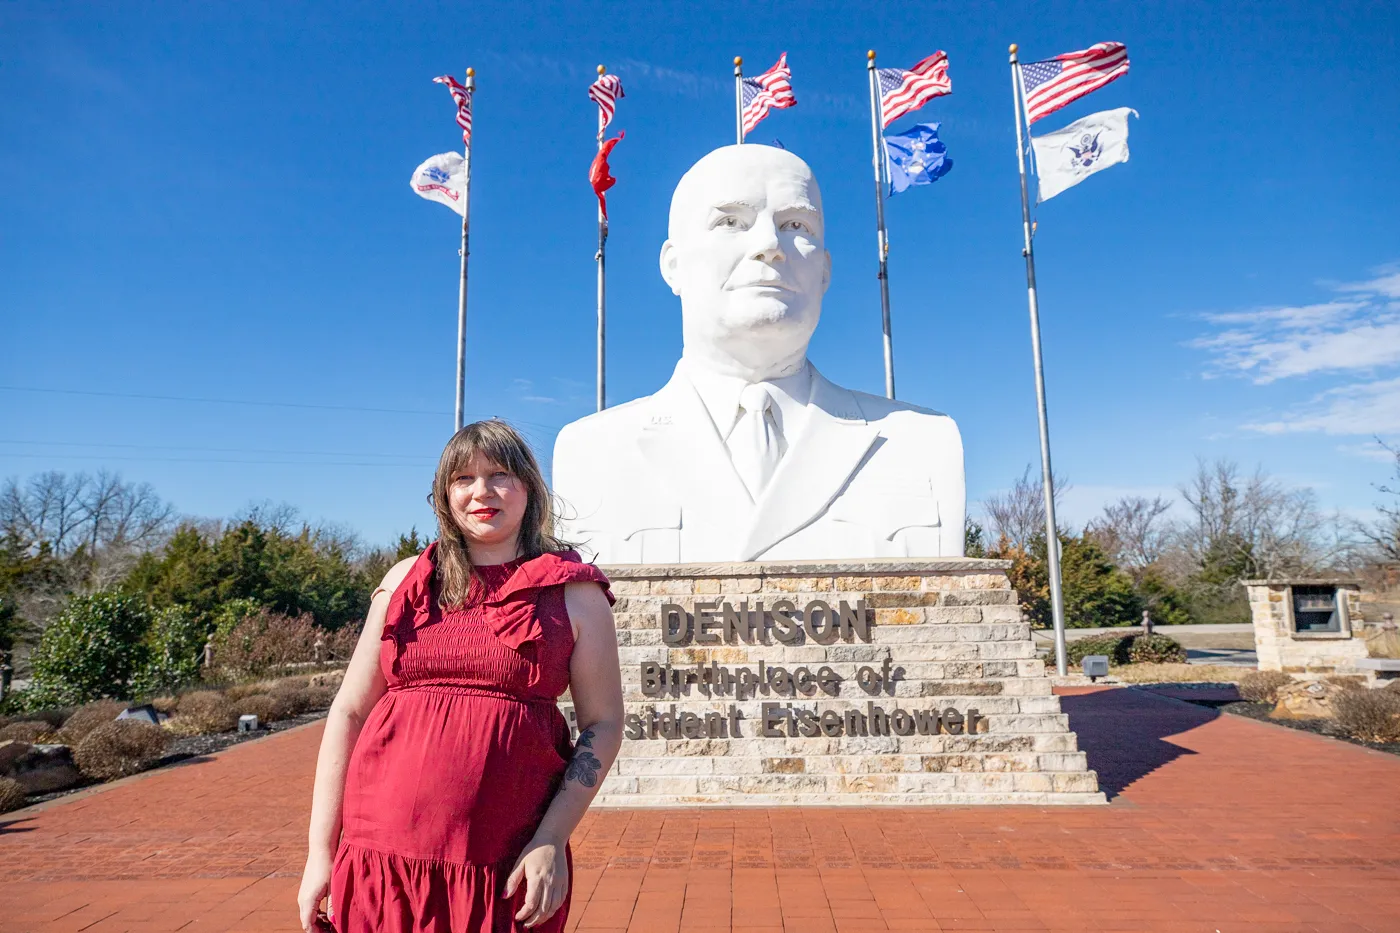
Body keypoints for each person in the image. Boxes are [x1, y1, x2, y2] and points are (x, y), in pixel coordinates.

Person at [553, 144, 965, 563]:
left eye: (796, 224)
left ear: (824, 270)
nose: (770, 244)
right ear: (673, 266)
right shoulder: (590, 451)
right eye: (731, 221)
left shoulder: (922, 441)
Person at [297, 420, 623, 932]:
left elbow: (603, 723)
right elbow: (350, 710)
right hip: (381, 859)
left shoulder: (574, 595)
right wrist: (321, 851)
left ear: (530, 489)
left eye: (500, 474)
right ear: (444, 494)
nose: (482, 492)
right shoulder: (405, 580)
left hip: (505, 863)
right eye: (463, 478)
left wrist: (551, 839)